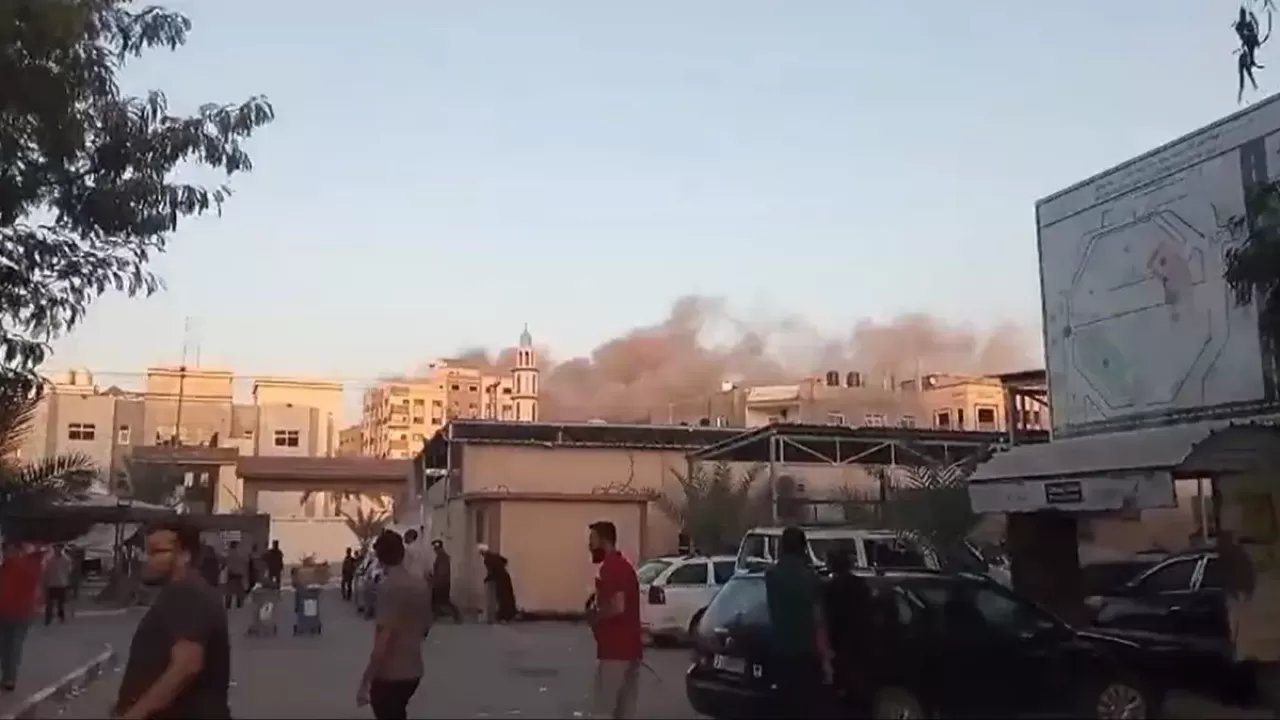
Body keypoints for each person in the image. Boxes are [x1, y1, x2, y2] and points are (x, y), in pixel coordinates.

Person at [113, 520, 231, 719]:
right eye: (145, 551)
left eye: (156, 552)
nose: (145, 559)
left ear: (185, 555)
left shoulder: (186, 592)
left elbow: (187, 665)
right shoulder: (189, 591)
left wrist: (134, 715)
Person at [357, 530, 431, 720]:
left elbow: (383, 639)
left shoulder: (389, 588)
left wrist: (366, 680)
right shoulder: (421, 585)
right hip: (414, 669)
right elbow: (426, 627)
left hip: (390, 673)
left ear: (380, 558)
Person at [765, 526, 834, 716]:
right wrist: (826, 660)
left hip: (780, 654)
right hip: (806, 655)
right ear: (803, 548)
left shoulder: (771, 576)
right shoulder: (811, 579)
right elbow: (819, 621)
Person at [585, 521, 642, 720]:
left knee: (603, 709)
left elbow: (618, 606)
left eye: (592, 540)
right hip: (631, 651)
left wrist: (595, 616)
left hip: (615, 651)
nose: (589, 545)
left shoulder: (611, 567)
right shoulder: (624, 566)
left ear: (604, 541)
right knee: (624, 712)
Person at [822, 546, 873, 700]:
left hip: (841, 640)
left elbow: (828, 616)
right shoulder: (861, 584)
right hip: (860, 638)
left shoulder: (831, 588)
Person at [0, 540, 44, 692]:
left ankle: (9, 678)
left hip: (16, 612)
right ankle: (8, 677)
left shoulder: (16, 565)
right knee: (10, 646)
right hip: (12, 612)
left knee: (10, 646)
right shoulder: (29, 564)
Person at [479, 545, 517, 623]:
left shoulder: (487, 559)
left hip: (500, 579)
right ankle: (510, 614)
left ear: (482, 552)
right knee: (508, 596)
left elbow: (491, 571)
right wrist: (501, 567)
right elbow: (505, 560)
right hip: (506, 577)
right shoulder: (495, 555)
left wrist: (487, 579)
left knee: (501, 597)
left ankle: (504, 616)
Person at [429, 540, 460, 622]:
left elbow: (442, 572)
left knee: (443, 601)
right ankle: (436, 616)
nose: (435, 551)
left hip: (441, 583)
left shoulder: (442, 557)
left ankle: (456, 615)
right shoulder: (441, 557)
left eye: (436, 549)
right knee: (437, 601)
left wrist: (434, 579)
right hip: (441, 583)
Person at [42, 544, 73, 625]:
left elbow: (69, 572)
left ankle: (60, 616)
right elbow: (45, 571)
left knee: (60, 603)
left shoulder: (66, 560)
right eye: (56, 548)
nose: (58, 550)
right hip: (51, 584)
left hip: (61, 584)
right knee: (49, 603)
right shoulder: (49, 559)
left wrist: (69, 584)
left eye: (60, 548)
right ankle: (48, 618)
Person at [223, 541, 248, 609]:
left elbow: (224, 563)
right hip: (239, 575)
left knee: (229, 592)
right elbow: (244, 564)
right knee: (239, 592)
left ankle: (228, 606)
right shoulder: (241, 553)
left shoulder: (229, 553)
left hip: (231, 574)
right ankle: (239, 606)